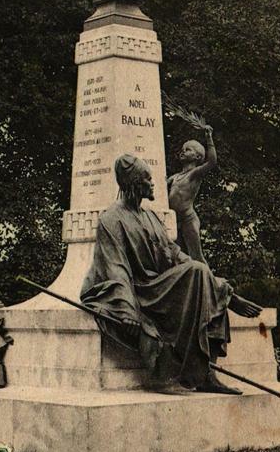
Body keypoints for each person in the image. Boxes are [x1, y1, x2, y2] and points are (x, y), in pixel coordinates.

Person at [81, 154, 261, 395]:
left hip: (157, 285)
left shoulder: (150, 216)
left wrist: (227, 293)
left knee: (197, 270)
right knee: (196, 273)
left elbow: (174, 255)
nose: (153, 183)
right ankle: (201, 372)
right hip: (140, 290)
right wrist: (127, 308)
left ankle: (208, 372)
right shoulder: (111, 219)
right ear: (135, 184)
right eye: (147, 179)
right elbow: (116, 268)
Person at [167, 125, 217, 262]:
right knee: (177, 256)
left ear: (197, 156)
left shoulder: (194, 174)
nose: (182, 152)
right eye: (182, 149)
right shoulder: (174, 177)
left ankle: (209, 281)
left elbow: (212, 162)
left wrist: (209, 138)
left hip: (188, 219)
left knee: (196, 255)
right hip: (174, 220)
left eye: (187, 150)